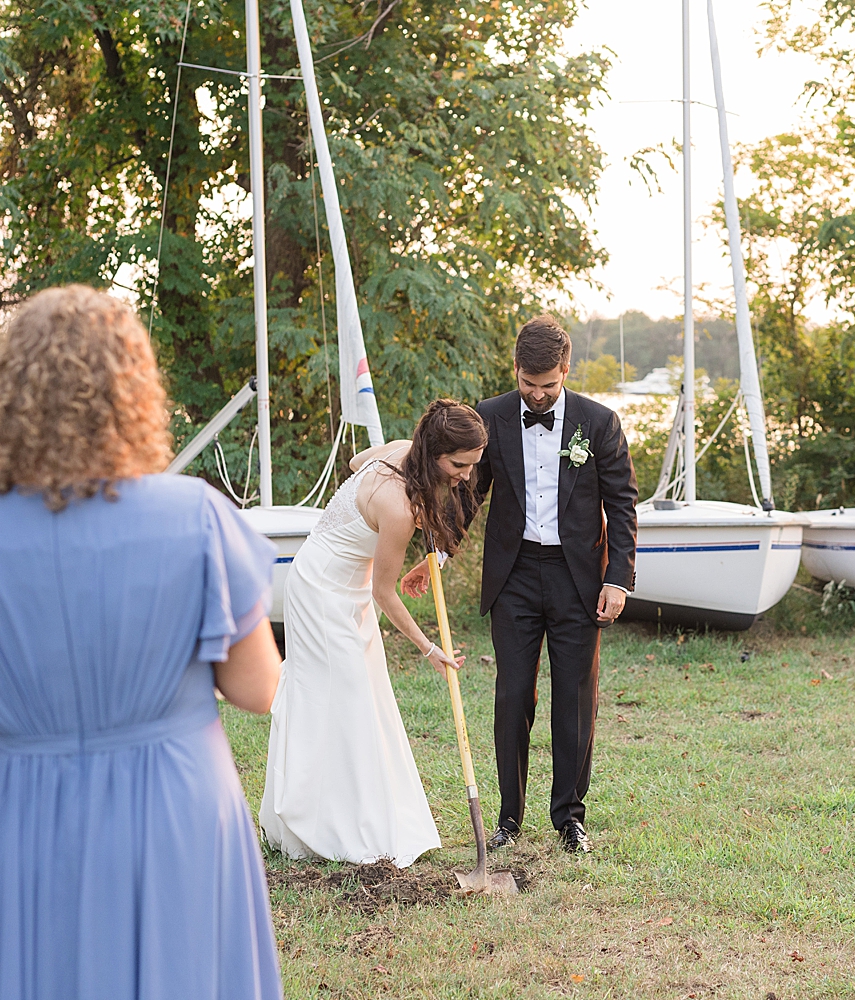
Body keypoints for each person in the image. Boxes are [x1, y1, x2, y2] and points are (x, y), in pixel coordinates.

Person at [0, 285, 283, 1000]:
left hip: (32, 814)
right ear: (131, 389)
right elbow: (257, 689)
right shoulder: (196, 516)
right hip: (174, 810)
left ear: (7, 395)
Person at [404, 315, 638, 854]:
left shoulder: (598, 423)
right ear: (516, 371)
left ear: (565, 371)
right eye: (527, 385)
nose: (535, 396)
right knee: (512, 696)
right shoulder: (490, 417)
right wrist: (437, 554)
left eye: (547, 386)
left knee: (574, 699)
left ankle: (569, 818)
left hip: (579, 576)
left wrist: (618, 579)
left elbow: (622, 504)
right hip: (512, 576)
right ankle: (509, 818)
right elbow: (468, 494)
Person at [260, 399, 485, 867]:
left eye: (472, 465)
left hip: (344, 582)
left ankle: (360, 816)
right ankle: (325, 824)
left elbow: (356, 462)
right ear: (435, 453)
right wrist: (429, 649)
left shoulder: (402, 451)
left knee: (364, 696)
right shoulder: (399, 509)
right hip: (322, 591)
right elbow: (386, 592)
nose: (465, 475)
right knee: (342, 696)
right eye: (459, 465)